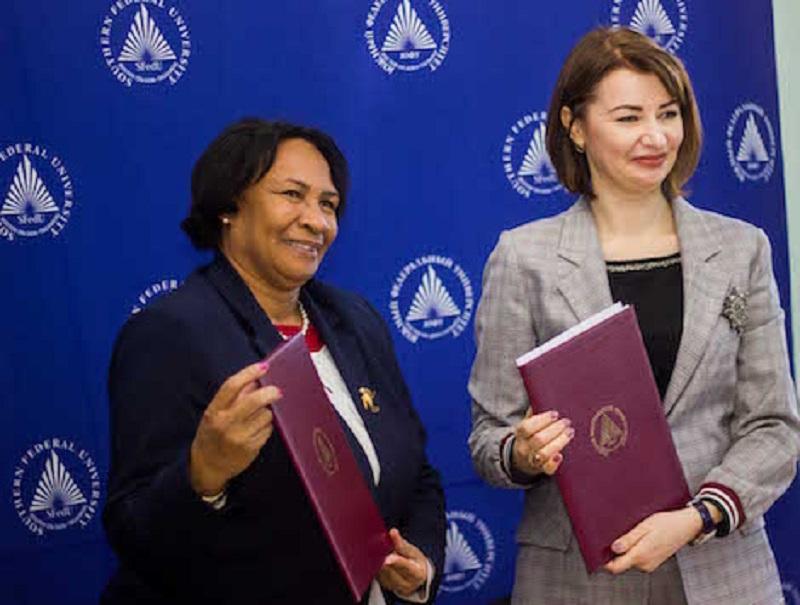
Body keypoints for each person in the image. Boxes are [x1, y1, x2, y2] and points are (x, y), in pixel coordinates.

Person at [468, 27, 800, 604]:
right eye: (627, 118)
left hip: (723, 569)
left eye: (668, 114)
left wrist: (700, 515)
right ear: (575, 126)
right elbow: (489, 439)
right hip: (579, 578)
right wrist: (523, 451)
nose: (654, 136)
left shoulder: (743, 248)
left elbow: (774, 426)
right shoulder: (524, 258)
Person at [102, 118, 445, 604]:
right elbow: (133, 531)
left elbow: (419, 476)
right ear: (229, 207)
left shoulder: (357, 320)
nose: (316, 220)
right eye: (292, 195)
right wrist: (202, 474)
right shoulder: (170, 334)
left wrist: (423, 562)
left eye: (328, 204)